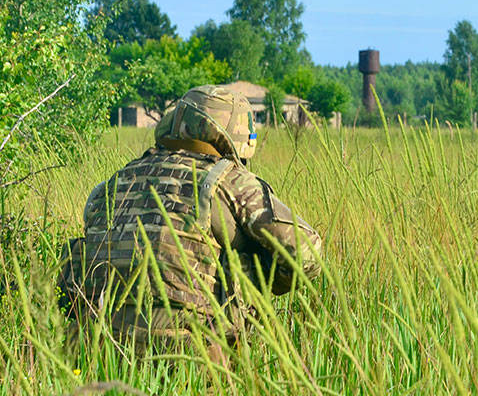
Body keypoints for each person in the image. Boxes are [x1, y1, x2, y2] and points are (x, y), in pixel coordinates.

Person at [58, 85, 321, 362]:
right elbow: (306, 253)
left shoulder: (114, 182)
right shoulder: (229, 181)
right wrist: (263, 280)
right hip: (189, 356)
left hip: (98, 350)